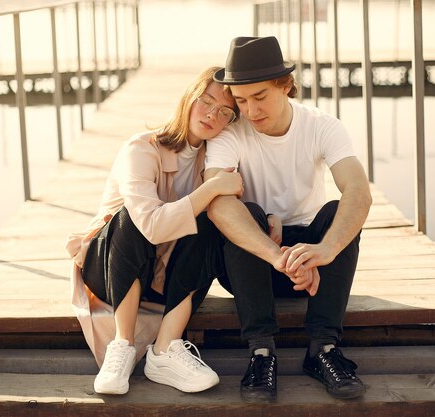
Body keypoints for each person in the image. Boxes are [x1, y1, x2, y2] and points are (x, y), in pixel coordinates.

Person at [204, 37, 372, 401]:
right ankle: (261, 350)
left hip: (312, 262)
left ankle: (323, 349)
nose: (250, 111)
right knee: (240, 211)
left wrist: (324, 251)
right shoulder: (229, 135)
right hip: (252, 264)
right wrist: (276, 255)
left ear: (285, 86)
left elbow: (359, 191)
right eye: (241, 100)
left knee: (335, 212)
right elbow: (216, 203)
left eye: (260, 97)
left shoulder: (322, 126)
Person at [66, 66, 241, 395]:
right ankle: (122, 344)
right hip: (110, 270)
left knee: (213, 220)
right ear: (189, 98)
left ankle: (164, 350)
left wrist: (269, 217)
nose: (212, 115)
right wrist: (212, 188)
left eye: (225, 112)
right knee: (132, 217)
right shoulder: (141, 148)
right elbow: (149, 225)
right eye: (206, 101)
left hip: (164, 278)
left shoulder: (216, 158)